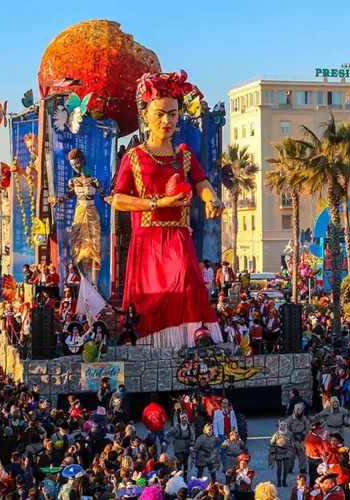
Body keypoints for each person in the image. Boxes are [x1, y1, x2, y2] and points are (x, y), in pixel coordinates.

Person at [111, 70, 225, 347]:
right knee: (152, 295)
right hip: (147, 238)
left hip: (177, 235)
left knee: (187, 279)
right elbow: (118, 199)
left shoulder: (184, 155)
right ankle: (150, 341)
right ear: (145, 116)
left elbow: (201, 182)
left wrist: (212, 199)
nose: (167, 121)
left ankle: (196, 330)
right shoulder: (134, 157)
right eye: (160, 114)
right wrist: (156, 203)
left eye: (173, 114)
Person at [48, 148, 111, 288]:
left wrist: (111, 199)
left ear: (82, 161)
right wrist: (57, 200)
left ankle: (94, 283)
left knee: (94, 247)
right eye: (72, 164)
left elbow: (103, 196)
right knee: (78, 247)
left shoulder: (94, 181)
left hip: (92, 213)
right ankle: (84, 281)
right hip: (79, 214)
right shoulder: (73, 181)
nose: (75, 166)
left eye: (76, 163)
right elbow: (69, 195)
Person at [166, 411, 195, 480]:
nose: (184, 419)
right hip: (178, 446)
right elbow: (169, 433)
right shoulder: (177, 427)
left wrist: (191, 446)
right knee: (180, 460)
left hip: (186, 446)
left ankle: (185, 476)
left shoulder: (189, 428)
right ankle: (179, 474)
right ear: (180, 418)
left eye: (185, 417)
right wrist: (165, 441)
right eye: (182, 417)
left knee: (185, 462)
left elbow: (192, 437)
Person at [213, 399, 239, 468]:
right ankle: (225, 467)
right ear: (221, 404)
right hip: (222, 434)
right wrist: (216, 435)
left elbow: (235, 422)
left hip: (231, 434)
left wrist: (236, 433)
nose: (225, 404)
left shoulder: (231, 412)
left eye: (226, 403)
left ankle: (232, 465)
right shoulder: (217, 413)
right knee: (223, 451)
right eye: (223, 403)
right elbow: (215, 424)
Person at [287, 402, 311, 474]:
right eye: (298, 409)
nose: (299, 412)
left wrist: (304, 433)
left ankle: (303, 469)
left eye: (301, 410)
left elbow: (307, 427)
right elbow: (286, 428)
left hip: (301, 438)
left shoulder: (304, 418)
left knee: (302, 454)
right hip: (292, 439)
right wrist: (292, 434)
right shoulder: (290, 418)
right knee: (291, 454)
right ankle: (289, 468)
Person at [270, 419, 295, 487]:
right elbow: (272, 444)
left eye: (284, 424)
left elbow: (292, 443)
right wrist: (273, 453)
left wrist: (291, 450)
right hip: (278, 452)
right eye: (281, 424)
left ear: (286, 425)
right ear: (279, 425)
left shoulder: (289, 434)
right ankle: (279, 481)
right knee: (279, 468)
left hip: (287, 452)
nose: (283, 426)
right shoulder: (276, 434)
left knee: (286, 468)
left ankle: (284, 481)